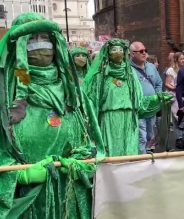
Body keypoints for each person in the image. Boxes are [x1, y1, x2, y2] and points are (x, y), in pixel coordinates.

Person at [0, 12, 102, 218]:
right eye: (31, 39)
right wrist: (18, 175)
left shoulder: (75, 95)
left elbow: (93, 142)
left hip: (69, 196)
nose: (40, 45)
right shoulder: (5, 95)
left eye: (45, 38)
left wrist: (83, 161)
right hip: (27, 201)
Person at [84, 38, 171, 156]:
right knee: (112, 151)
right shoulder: (101, 76)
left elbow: (139, 101)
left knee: (130, 150)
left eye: (120, 49)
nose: (118, 52)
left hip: (130, 119)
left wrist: (157, 98)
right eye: (114, 49)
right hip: (110, 119)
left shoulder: (130, 75)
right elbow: (92, 101)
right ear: (108, 53)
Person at [130, 41, 163, 154]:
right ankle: (141, 160)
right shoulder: (128, 69)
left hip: (152, 107)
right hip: (138, 109)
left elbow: (159, 83)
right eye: (141, 51)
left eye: (145, 51)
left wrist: (158, 95)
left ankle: (142, 152)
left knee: (149, 135)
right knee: (141, 136)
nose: (144, 53)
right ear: (132, 54)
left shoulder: (151, 67)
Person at [164, 52, 184, 149]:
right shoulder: (171, 70)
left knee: (183, 117)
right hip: (174, 96)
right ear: (177, 60)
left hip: (183, 96)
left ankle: (183, 137)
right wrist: (176, 89)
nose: (183, 61)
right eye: (181, 59)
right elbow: (167, 83)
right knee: (177, 118)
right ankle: (179, 138)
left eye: (183, 59)